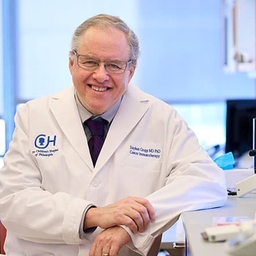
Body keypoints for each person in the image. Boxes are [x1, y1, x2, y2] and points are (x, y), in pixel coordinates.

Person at [0, 13, 227, 256]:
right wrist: (93, 215)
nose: (101, 75)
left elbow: (207, 182)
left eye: (114, 65)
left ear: (131, 70)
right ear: (71, 63)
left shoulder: (162, 119)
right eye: (89, 62)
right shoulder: (33, 116)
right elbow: (12, 200)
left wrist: (129, 226)